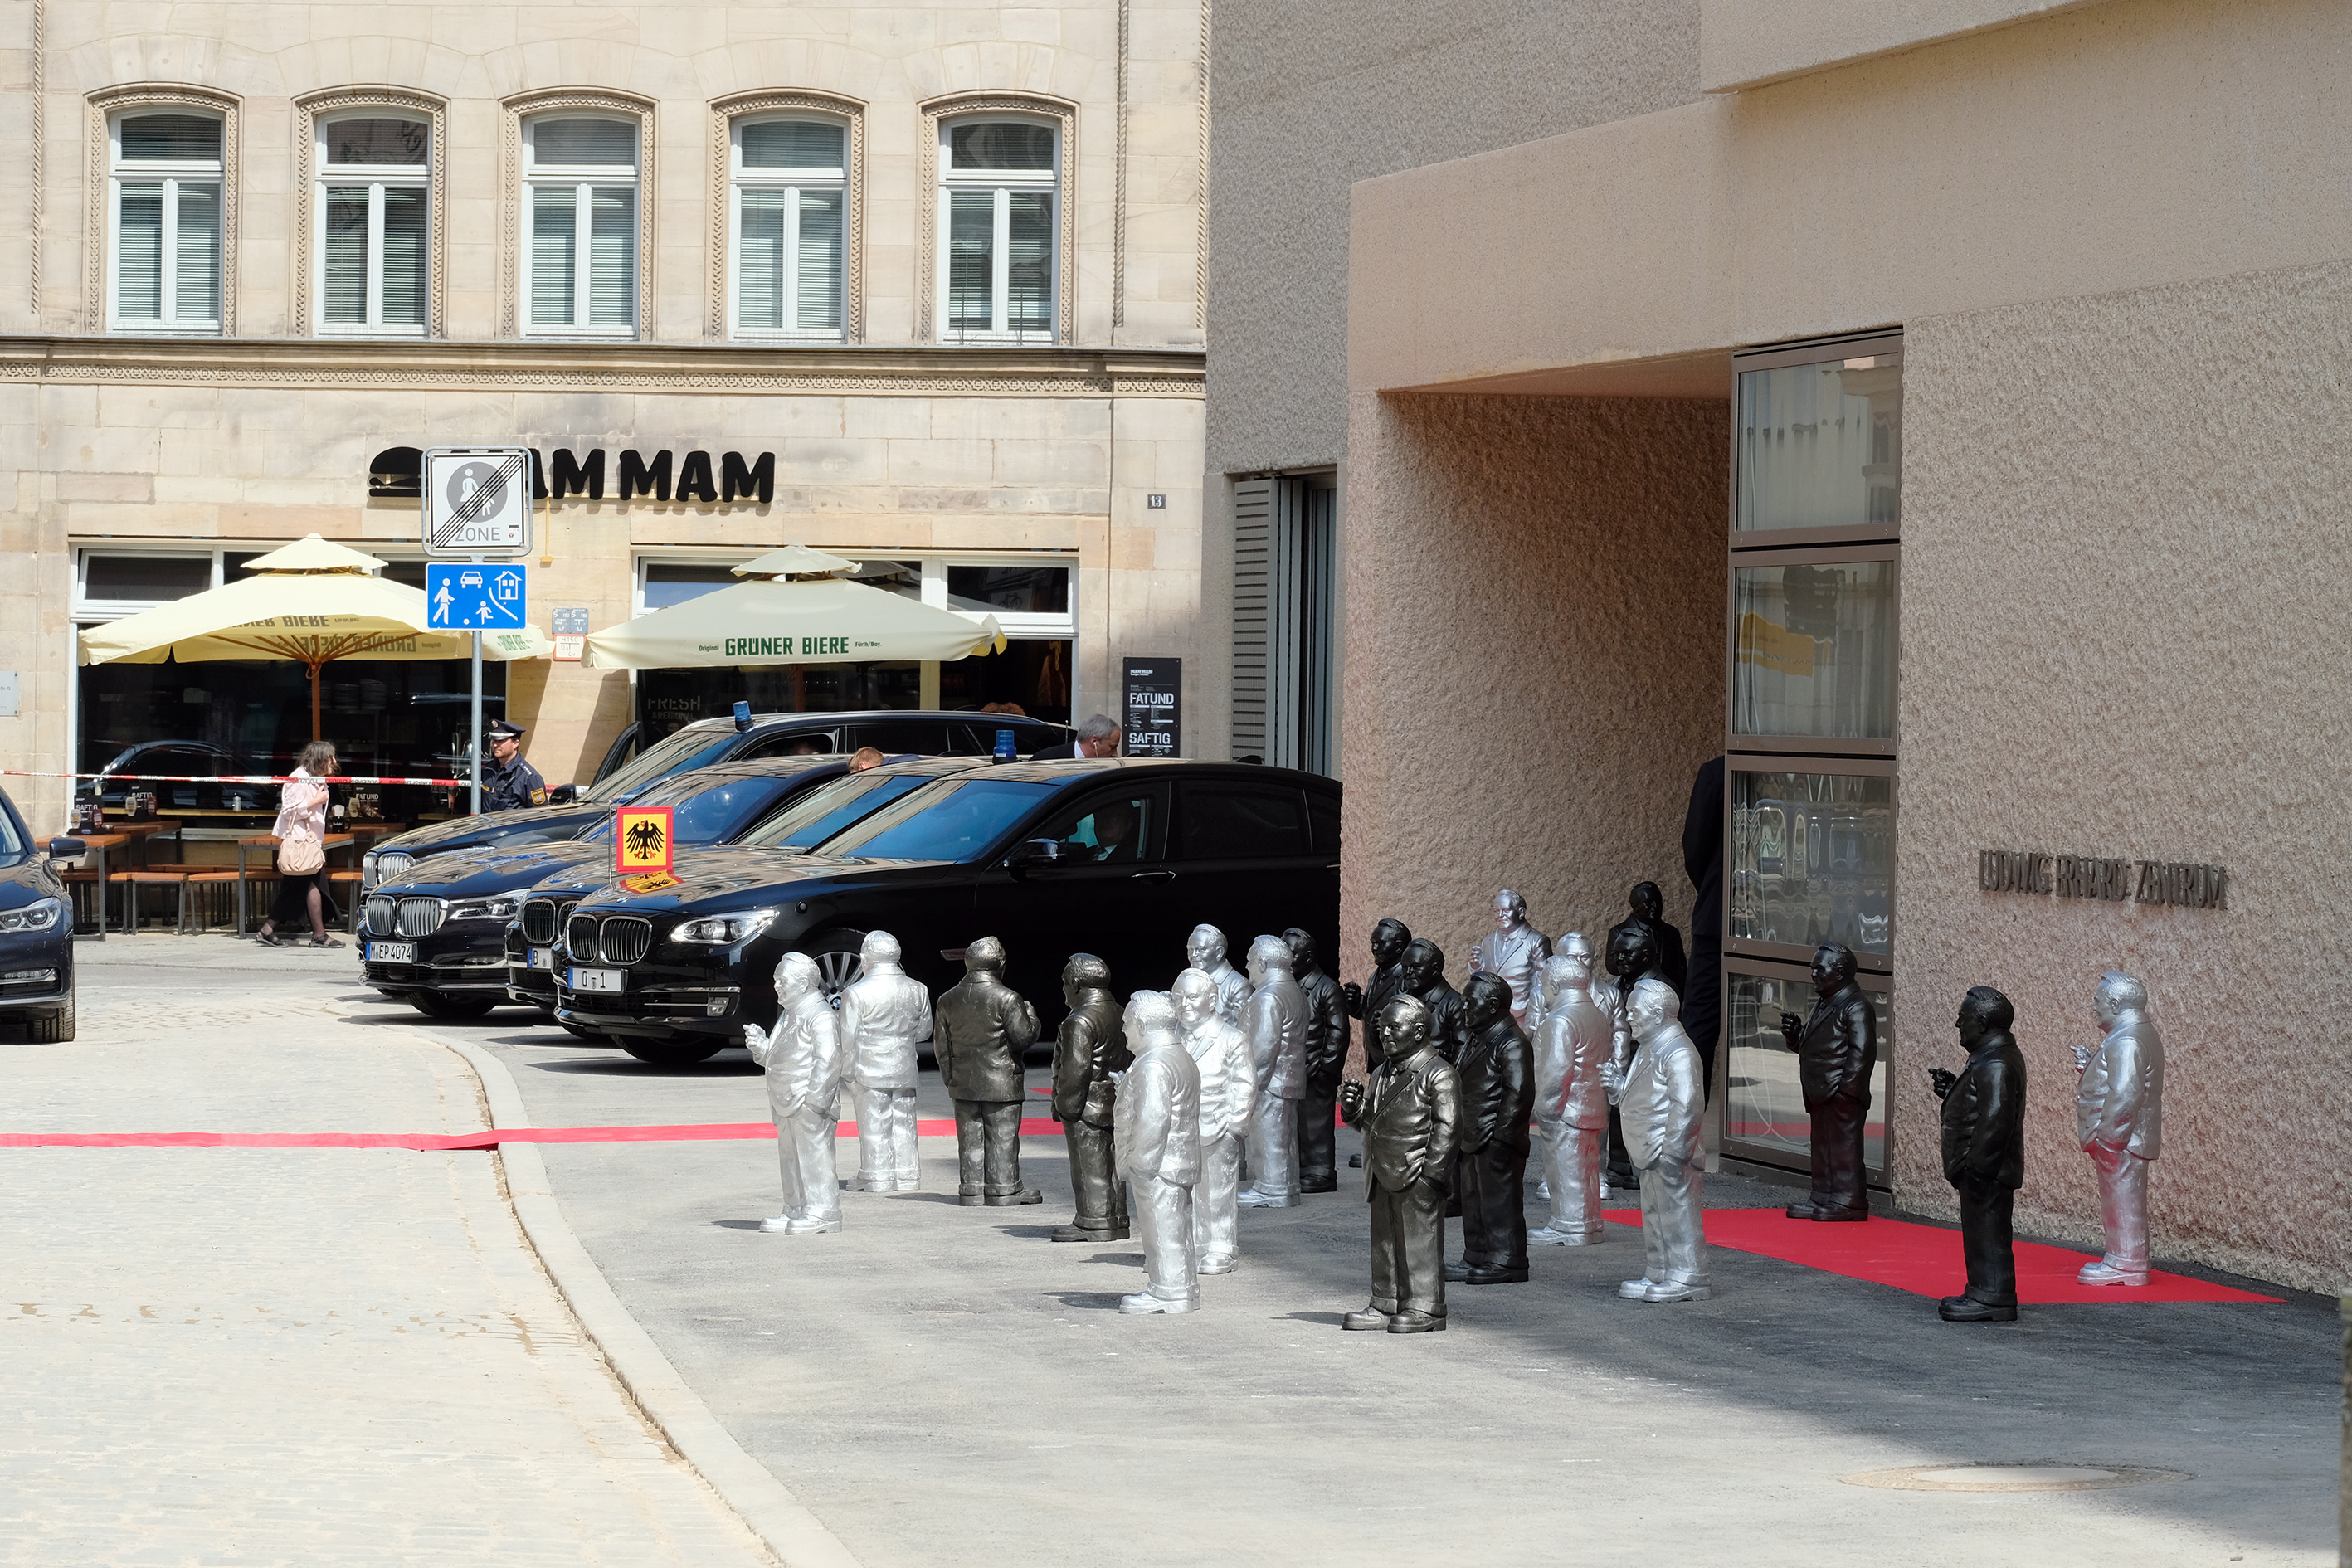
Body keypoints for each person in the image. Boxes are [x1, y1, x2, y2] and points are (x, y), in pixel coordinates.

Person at [1339, 996, 1461, 1334]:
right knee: (1384, 1241)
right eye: (1382, 1028)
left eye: (1394, 1027)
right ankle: (1385, 1301)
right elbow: (1372, 1122)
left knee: (1419, 1243)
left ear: (1419, 1032)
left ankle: (1426, 1306)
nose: (1385, 1034)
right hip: (1382, 1171)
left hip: (1417, 1172)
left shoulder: (1439, 1074)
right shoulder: (1381, 1071)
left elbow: (1448, 1129)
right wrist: (1353, 1111)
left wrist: (1431, 1177)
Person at [1602, 977, 1710, 1303]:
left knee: (1677, 1214)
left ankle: (1688, 1275)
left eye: (1634, 1012)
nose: (1628, 1017)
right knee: (1655, 1214)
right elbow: (1644, 1096)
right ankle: (1660, 1269)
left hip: (1670, 1151)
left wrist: (1674, 1154)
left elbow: (1687, 1106)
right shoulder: (1651, 1045)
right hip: (1650, 1150)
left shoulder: (1678, 1051)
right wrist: (1617, 1087)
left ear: (1659, 1014)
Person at [1931, 986, 2027, 1322]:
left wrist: (1976, 1169)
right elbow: (1981, 1105)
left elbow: (1996, 1121)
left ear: (1983, 1024)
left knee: (1988, 1232)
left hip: (1987, 1169)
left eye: (1964, 1018)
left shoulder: (1996, 1063)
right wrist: (1953, 1091)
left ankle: (1994, 1297)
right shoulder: (1988, 1057)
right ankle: (1982, 1291)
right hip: (1983, 1168)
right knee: (1980, 1232)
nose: (1958, 1024)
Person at [741, 952, 847, 1234]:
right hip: (786, 1101)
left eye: (782, 980)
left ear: (802, 984)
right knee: (790, 1158)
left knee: (815, 1158)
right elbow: (782, 1057)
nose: (776, 986)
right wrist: (761, 1047)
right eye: (776, 980)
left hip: (808, 1102)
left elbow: (829, 1061)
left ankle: (823, 1211)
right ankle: (795, 1208)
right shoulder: (790, 1014)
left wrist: (815, 1103)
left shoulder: (820, 1016)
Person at [933, 937, 1044, 1206]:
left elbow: (941, 1046)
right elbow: (1022, 1038)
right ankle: (1003, 1189)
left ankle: (971, 1189)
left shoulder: (947, 999)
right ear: (1001, 964)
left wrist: (950, 1078)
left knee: (969, 1139)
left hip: (963, 1082)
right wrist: (1032, 1017)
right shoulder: (1008, 998)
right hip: (1002, 1083)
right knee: (1002, 1137)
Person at [2072, 971, 2163, 1288]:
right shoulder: (2132, 1034)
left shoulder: (2127, 1040)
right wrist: (2091, 1065)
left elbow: (2125, 1094)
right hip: (2125, 1138)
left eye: (2098, 1001)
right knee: (2122, 1199)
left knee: (2122, 1200)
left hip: (2121, 1139)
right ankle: (2125, 1259)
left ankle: (2127, 1264)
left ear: (2114, 1004)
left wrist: (2109, 1141)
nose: (2094, 1007)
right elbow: (2121, 1080)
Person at [1115, 991, 1203, 1315]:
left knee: (1162, 1229)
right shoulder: (1178, 1055)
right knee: (1176, 1228)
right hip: (1177, 1159)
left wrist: (1140, 1164)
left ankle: (1168, 1291)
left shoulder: (1153, 1063)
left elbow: (1153, 1119)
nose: (1123, 1030)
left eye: (1126, 1023)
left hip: (1158, 1164)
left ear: (1142, 1025)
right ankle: (1182, 1288)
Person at [1778, 942, 1877, 1223]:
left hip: (1841, 1093)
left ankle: (1849, 1200)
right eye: (1813, 968)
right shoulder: (1826, 1003)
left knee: (1844, 1150)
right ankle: (1822, 1195)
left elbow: (1862, 1052)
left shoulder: (1856, 1007)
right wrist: (1795, 1036)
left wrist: (1846, 1092)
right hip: (1821, 1092)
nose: (1813, 974)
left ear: (1840, 972)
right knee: (1822, 1147)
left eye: (1820, 969)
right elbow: (1815, 1046)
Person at [1449, 973, 1534, 1285]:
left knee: (1500, 1202)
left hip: (1496, 1139)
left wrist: (1501, 1138)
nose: (1464, 1007)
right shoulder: (1479, 1036)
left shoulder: (1512, 1042)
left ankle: (1506, 1260)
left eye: (1470, 1002)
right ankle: (1477, 1254)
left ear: (1494, 1005)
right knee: (1474, 1201)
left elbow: (1519, 1094)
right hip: (1472, 1136)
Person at [1050, 952, 1132, 1243]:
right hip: (1116, 1101)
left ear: (1075, 985)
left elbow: (1075, 1072)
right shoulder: (1120, 1011)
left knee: (1090, 1167)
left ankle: (1094, 1220)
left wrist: (1066, 1108)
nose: (1063, 989)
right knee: (1113, 1167)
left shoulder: (1079, 1021)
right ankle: (1116, 1219)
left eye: (1064, 983)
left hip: (1087, 1106)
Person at [1176, 967, 1253, 1274]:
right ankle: (1193, 1244)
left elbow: (1245, 1086)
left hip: (1218, 1126)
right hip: (1180, 1129)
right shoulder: (1173, 1037)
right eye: (1178, 998)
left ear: (1211, 1000)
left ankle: (1222, 1247)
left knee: (1217, 1192)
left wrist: (1235, 1128)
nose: (1184, 1004)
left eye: (1191, 997)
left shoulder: (1232, 1039)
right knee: (1186, 1191)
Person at [840, 931, 928, 1193]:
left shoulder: (855, 993)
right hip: (905, 1069)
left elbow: (847, 1039)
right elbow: (924, 1032)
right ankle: (907, 1174)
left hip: (869, 1071)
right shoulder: (918, 989)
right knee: (905, 1123)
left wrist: (846, 1071)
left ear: (864, 959)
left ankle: (877, 1175)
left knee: (875, 1124)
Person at [1235, 935, 1307, 1210]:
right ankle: (1285, 1187)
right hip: (1287, 1079)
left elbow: (1262, 1049)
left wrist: (1248, 1086)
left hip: (1270, 1082)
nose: (1247, 966)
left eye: (1250, 961)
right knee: (1283, 1138)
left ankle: (1272, 1189)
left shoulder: (1268, 997)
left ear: (1263, 964)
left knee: (1269, 1138)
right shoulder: (1293, 990)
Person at [256, 740, 342, 948]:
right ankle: (315, 934)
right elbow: (288, 811)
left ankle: (313, 933)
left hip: (309, 841)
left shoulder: (316, 778)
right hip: (300, 842)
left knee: (306, 885)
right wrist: (315, 801)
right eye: (330, 758)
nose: (334, 762)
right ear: (319, 759)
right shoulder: (298, 778)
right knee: (303, 885)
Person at [1285, 927, 1347, 1193]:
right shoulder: (1288, 986)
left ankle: (1322, 1172)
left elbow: (1338, 1033)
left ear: (1309, 957)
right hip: (1294, 1070)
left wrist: (1326, 1070)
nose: (1286, 959)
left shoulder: (1327, 989)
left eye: (1291, 953)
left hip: (1317, 1072)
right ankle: (1302, 1166)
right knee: (1297, 1124)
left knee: (1317, 1124)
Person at [1681, 757, 1726, 1093]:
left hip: (1717, 916)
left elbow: (1695, 848)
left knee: (1701, 1020)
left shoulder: (1717, 772)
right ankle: (1688, 1108)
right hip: (1716, 919)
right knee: (1699, 1024)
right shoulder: (1718, 773)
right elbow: (1695, 851)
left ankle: (1689, 1113)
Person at [1469, 890, 1551, 1030]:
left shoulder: (1536, 941)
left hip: (1522, 1016)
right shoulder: (1488, 941)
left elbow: (1545, 981)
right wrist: (1476, 967)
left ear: (1521, 912)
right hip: (1492, 1016)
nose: (1501, 915)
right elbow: (1484, 978)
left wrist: (1537, 1017)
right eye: (1497, 911)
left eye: (1506, 910)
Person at [480, 718, 548, 811]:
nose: (495, 745)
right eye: (494, 740)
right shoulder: (489, 769)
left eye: (500, 741)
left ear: (515, 744)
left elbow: (540, 814)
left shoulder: (530, 778)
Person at [1033, 713, 1121, 760]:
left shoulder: (1110, 768)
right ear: (1094, 742)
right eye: (1112, 747)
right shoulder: (1045, 759)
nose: (1115, 755)